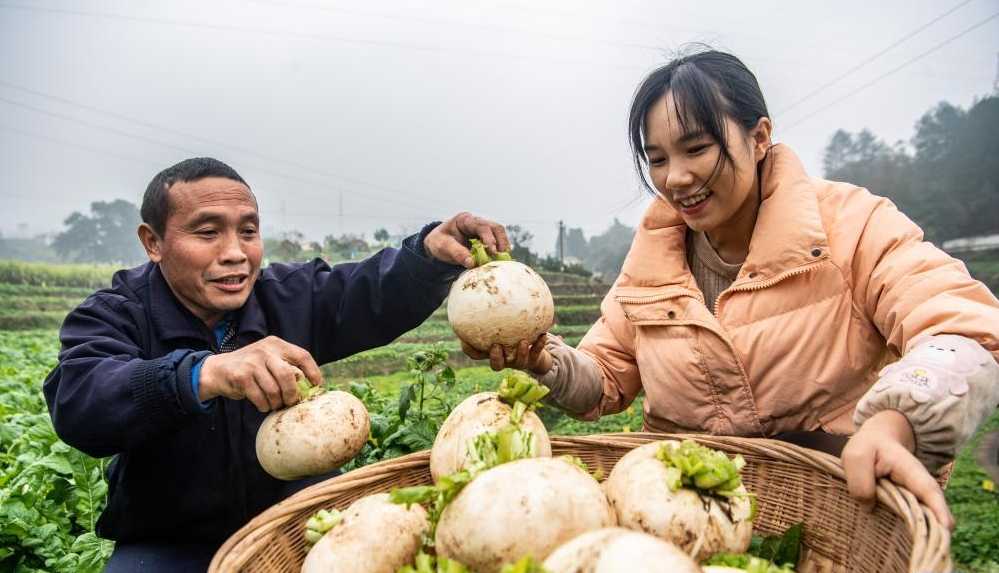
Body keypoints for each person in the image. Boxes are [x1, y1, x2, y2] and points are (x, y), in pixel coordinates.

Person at [463, 49, 999, 530]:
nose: (676, 177)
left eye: (696, 148)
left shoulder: (851, 225)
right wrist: (544, 359)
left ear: (759, 136)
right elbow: (605, 379)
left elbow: (964, 328)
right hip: (683, 520)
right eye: (657, 158)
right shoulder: (654, 258)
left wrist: (895, 418)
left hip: (840, 512)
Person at [43, 157, 510, 571]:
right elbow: (82, 396)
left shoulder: (285, 296)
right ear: (153, 242)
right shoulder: (116, 313)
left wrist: (428, 254)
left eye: (248, 231)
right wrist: (202, 374)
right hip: (173, 541)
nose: (235, 252)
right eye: (208, 232)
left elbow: (368, 290)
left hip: (297, 519)